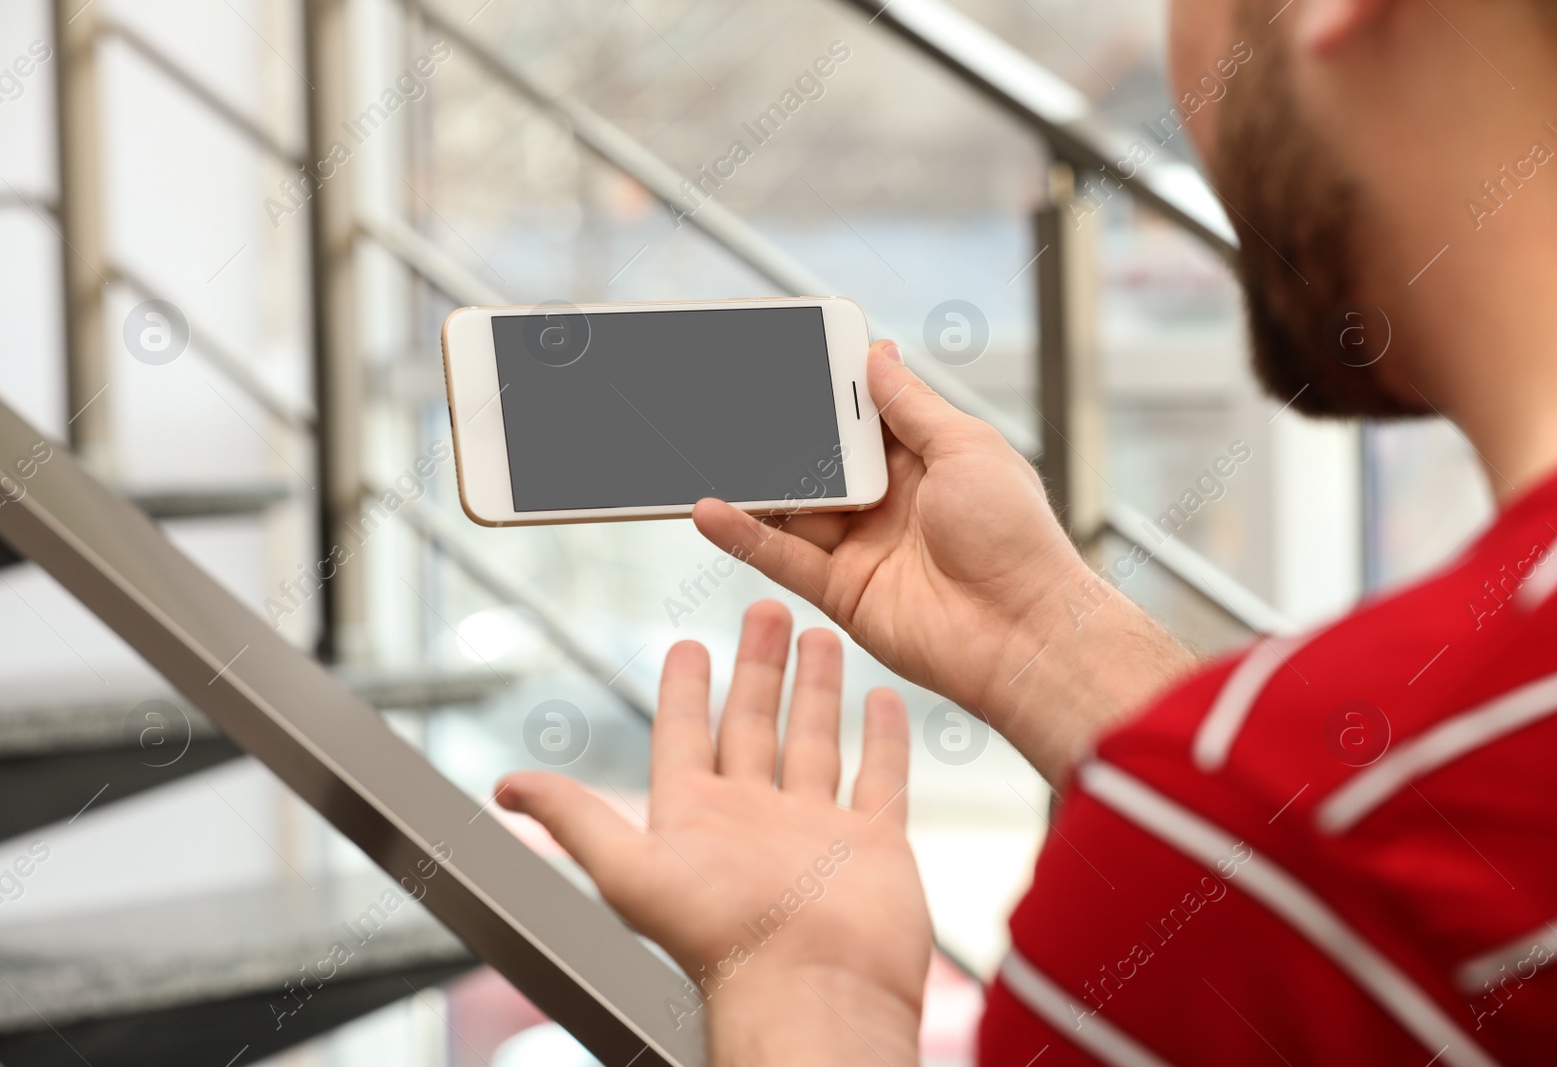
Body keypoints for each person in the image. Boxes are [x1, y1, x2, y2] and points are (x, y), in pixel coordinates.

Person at [497, 0, 1557, 1061]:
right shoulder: (1334, 825)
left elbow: (1319, 869)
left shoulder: (1280, 852)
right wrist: (1052, 639)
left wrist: (811, 991)